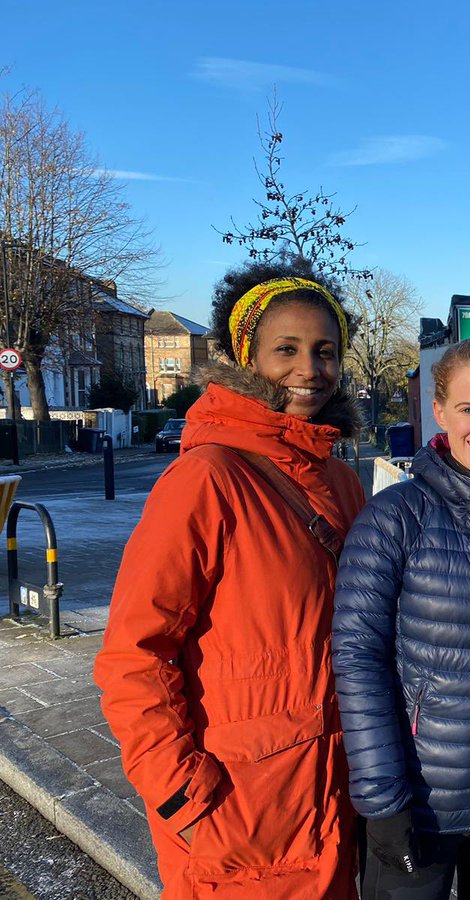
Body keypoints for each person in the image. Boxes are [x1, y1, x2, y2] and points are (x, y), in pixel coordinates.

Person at [94, 259, 366, 898]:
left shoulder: (342, 482)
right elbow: (133, 653)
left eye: (325, 351)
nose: (309, 369)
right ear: (246, 358)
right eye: (287, 350)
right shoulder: (206, 479)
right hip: (240, 813)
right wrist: (179, 794)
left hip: (335, 798)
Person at [332, 337, 470, 900]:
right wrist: (382, 799)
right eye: (468, 409)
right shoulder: (394, 518)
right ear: (439, 412)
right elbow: (358, 660)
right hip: (418, 800)